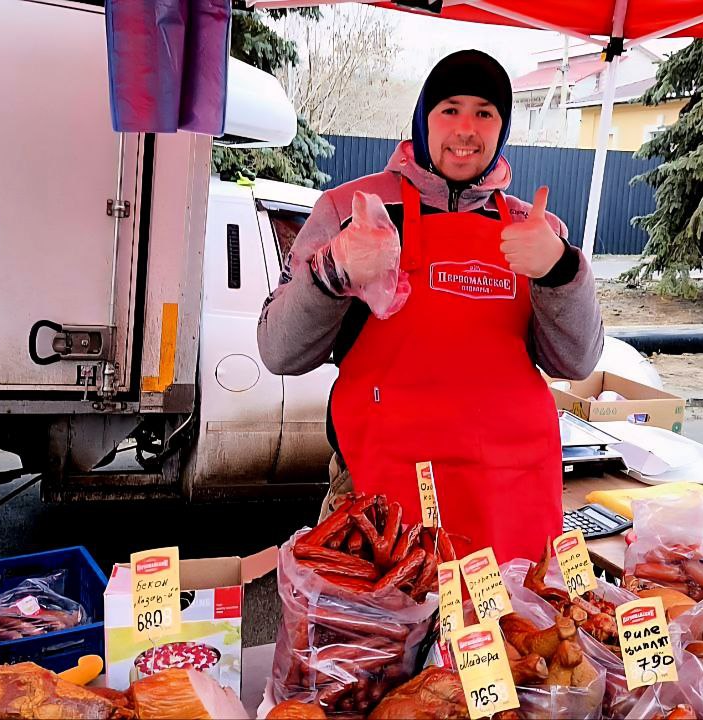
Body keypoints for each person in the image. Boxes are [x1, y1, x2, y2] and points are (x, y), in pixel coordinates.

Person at [257, 49, 604, 563]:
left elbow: (575, 363)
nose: (466, 129)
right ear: (423, 118)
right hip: (382, 499)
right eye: (450, 109)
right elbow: (279, 352)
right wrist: (333, 271)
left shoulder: (536, 230)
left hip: (506, 500)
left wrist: (560, 270)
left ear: (502, 127)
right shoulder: (352, 211)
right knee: (385, 639)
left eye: (485, 112)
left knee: (502, 640)